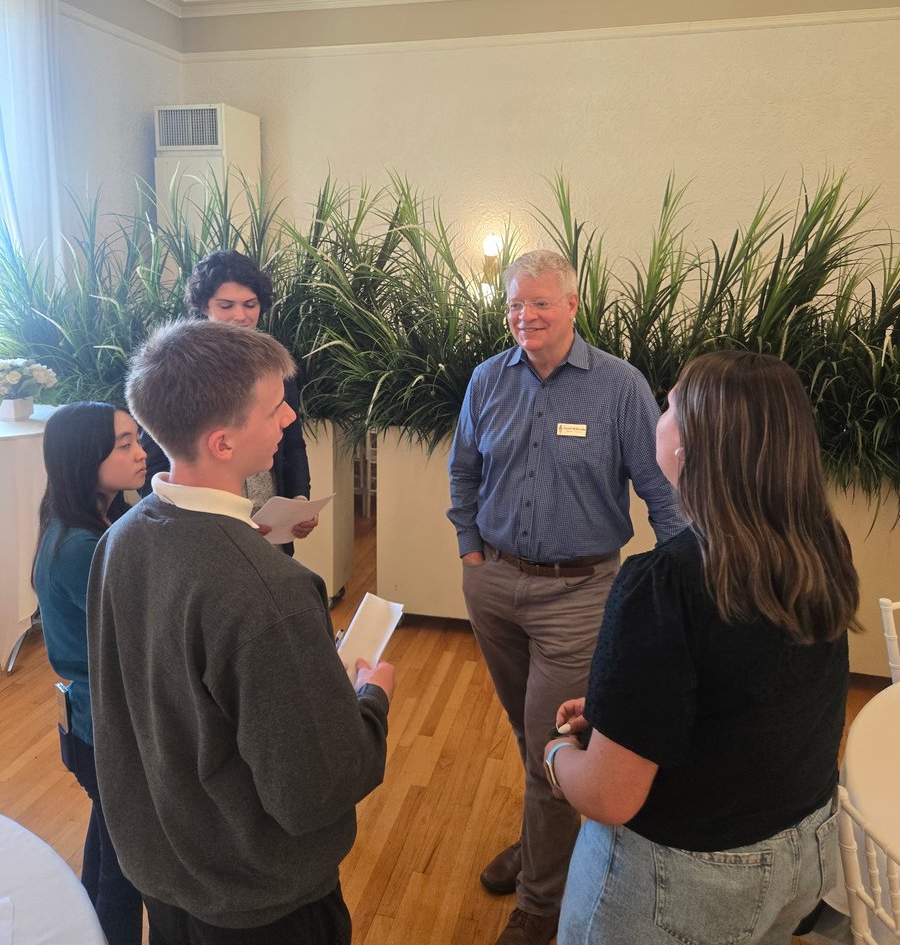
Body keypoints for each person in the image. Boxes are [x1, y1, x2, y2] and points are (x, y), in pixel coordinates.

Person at [88, 319, 394, 944]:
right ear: (223, 442)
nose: (288, 418)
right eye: (274, 406)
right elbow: (315, 791)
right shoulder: (267, 593)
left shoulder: (122, 538)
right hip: (260, 902)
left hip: (165, 869)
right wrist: (371, 700)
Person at [547, 351, 860, 945]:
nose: (659, 415)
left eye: (668, 406)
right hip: (803, 853)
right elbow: (751, 694)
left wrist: (556, 757)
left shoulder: (664, 582)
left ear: (694, 446)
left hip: (686, 883)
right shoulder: (820, 543)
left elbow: (610, 796)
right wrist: (629, 718)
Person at [447, 249, 685, 945]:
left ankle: (539, 902)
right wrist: (470, 551)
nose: (525, 316)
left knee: (553, 739)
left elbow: (661, 494)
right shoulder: (489, 379)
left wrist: (690, 575)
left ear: (574, 306)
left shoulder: (619, 387)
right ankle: (540, 841)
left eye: (539, 303)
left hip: (578, 595)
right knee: (529, 738)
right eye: (515, 305)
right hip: (492, 583)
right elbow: (463, 470)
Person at [32, 402, 146, 945]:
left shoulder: (89, 524)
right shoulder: (82, 546)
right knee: (125, 873)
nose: (140, 451)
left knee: (109, 855)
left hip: (93, 726)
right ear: (85, 458)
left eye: (136, 438)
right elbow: (141, 635)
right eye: (122, 443)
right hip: (105, 730)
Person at [139, 248, 317, 553]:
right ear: (203, 306)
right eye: (226, 305)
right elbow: (155, 458)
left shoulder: (275, 365)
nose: (241, 316)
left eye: (250, 304)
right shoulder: (180, 369)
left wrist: (298, 501)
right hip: (206, 531)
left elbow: (293, 442)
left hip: (272, 528)